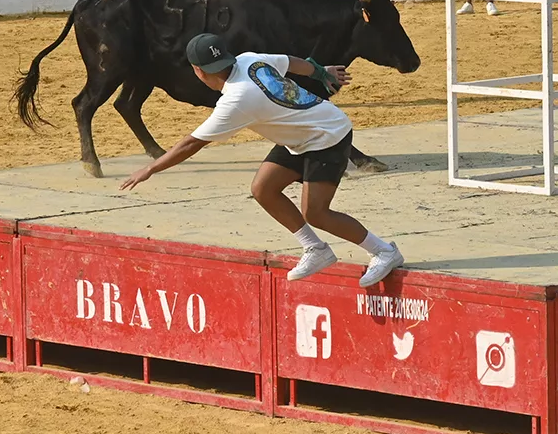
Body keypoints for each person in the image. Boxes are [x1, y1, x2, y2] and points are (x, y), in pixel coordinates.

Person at [120, 33, 405, 286]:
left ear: (198, 70)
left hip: (327, 135)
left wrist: (150, 168)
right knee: (263, 189)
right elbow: (291, 61)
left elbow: (192, 144)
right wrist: (320, 71)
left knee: (316, 212)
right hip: (301, 134)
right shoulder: (250, 60)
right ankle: (315, 249)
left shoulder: (235, 100)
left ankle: (384, 251)